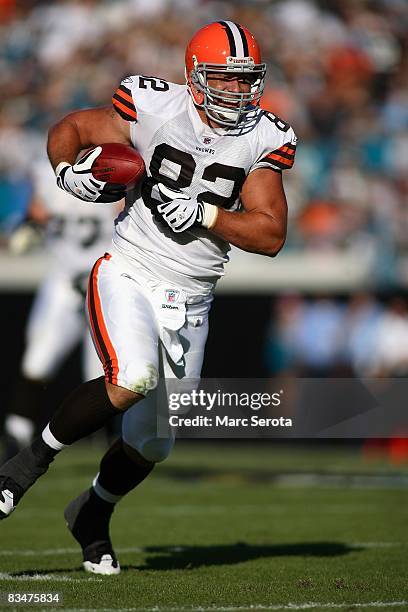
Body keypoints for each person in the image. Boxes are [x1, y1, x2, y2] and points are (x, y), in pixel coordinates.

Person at [0, 21, 296, 575]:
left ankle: (91, 514)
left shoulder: (265, 136)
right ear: (194, 76)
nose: (237, 92)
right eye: (224, 80)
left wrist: (209, 214)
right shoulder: (153, 104)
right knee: (131, 376)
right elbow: (71, 127)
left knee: (154, 444)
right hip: (130, 267)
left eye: (245, 80)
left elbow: (271, 234)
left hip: (193, 298)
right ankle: (22, 468)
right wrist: (69, 173)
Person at [3, 155, 120, 458]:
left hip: (106, 284)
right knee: (37, 361)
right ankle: (16, 437)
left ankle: (113, 447)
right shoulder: (47, 172)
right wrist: (26, 230)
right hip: (65, 282)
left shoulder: (116, 166)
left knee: (105, 375)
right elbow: (35, 215)